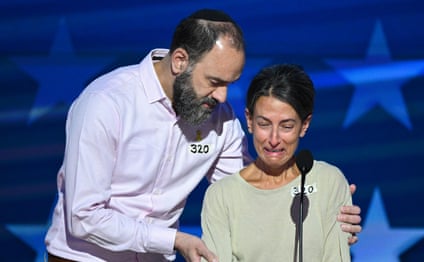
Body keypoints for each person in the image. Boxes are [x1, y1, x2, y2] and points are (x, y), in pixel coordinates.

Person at [44, 9, 361, 262]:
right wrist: (174, 240)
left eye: (230, 83)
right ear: (180, 60)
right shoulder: (105, 103)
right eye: (214, 81)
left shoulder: (220, 118)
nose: (223, 97)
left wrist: (318, 200)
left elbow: (249, 191)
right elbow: (83, 217)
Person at [201, 64, 353, 261]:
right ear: (249, 120)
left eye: (286, 126)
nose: (273, 139)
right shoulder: (221, 196)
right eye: (264, 124)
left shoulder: (329, 182)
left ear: (304, 125)